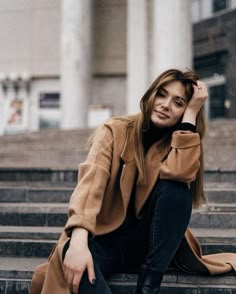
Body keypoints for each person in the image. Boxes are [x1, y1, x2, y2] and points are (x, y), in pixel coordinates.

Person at [30, 69, 236, 294]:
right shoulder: (115, 130)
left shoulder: (178, 144)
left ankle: (149, 286)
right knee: (80, 274)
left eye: (178, 103)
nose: (165, 105)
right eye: (161, 94)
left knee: (176, 190)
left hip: (145, 251)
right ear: (150, 95)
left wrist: (190, 118)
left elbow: (181, 175)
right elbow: (90, 184)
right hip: (101, 241)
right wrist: (78, 243)